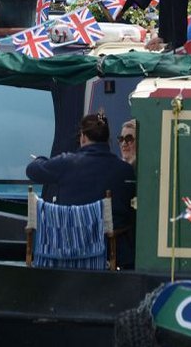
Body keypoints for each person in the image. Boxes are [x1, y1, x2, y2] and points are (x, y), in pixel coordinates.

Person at [26, 112, 135, 266]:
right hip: (108, 256)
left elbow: (32, 170)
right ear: (108, 139)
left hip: (63, 253)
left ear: (83, 137)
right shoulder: (125, 171)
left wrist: (41, 160)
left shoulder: (65, 163)